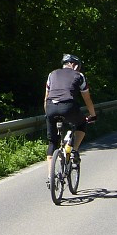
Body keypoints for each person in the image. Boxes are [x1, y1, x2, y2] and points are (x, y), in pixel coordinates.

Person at [45, 53, 96, 182]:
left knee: (52, 142)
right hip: (68, 107)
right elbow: (87, 98)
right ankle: (74, 150)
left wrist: (48, 114)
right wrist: (93, 115)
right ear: (73, 64)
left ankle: (51, 176)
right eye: (78, 66)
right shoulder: (79, 76)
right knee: (81, 123)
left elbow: (46, 97)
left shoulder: (52, 74)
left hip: (51, 107)